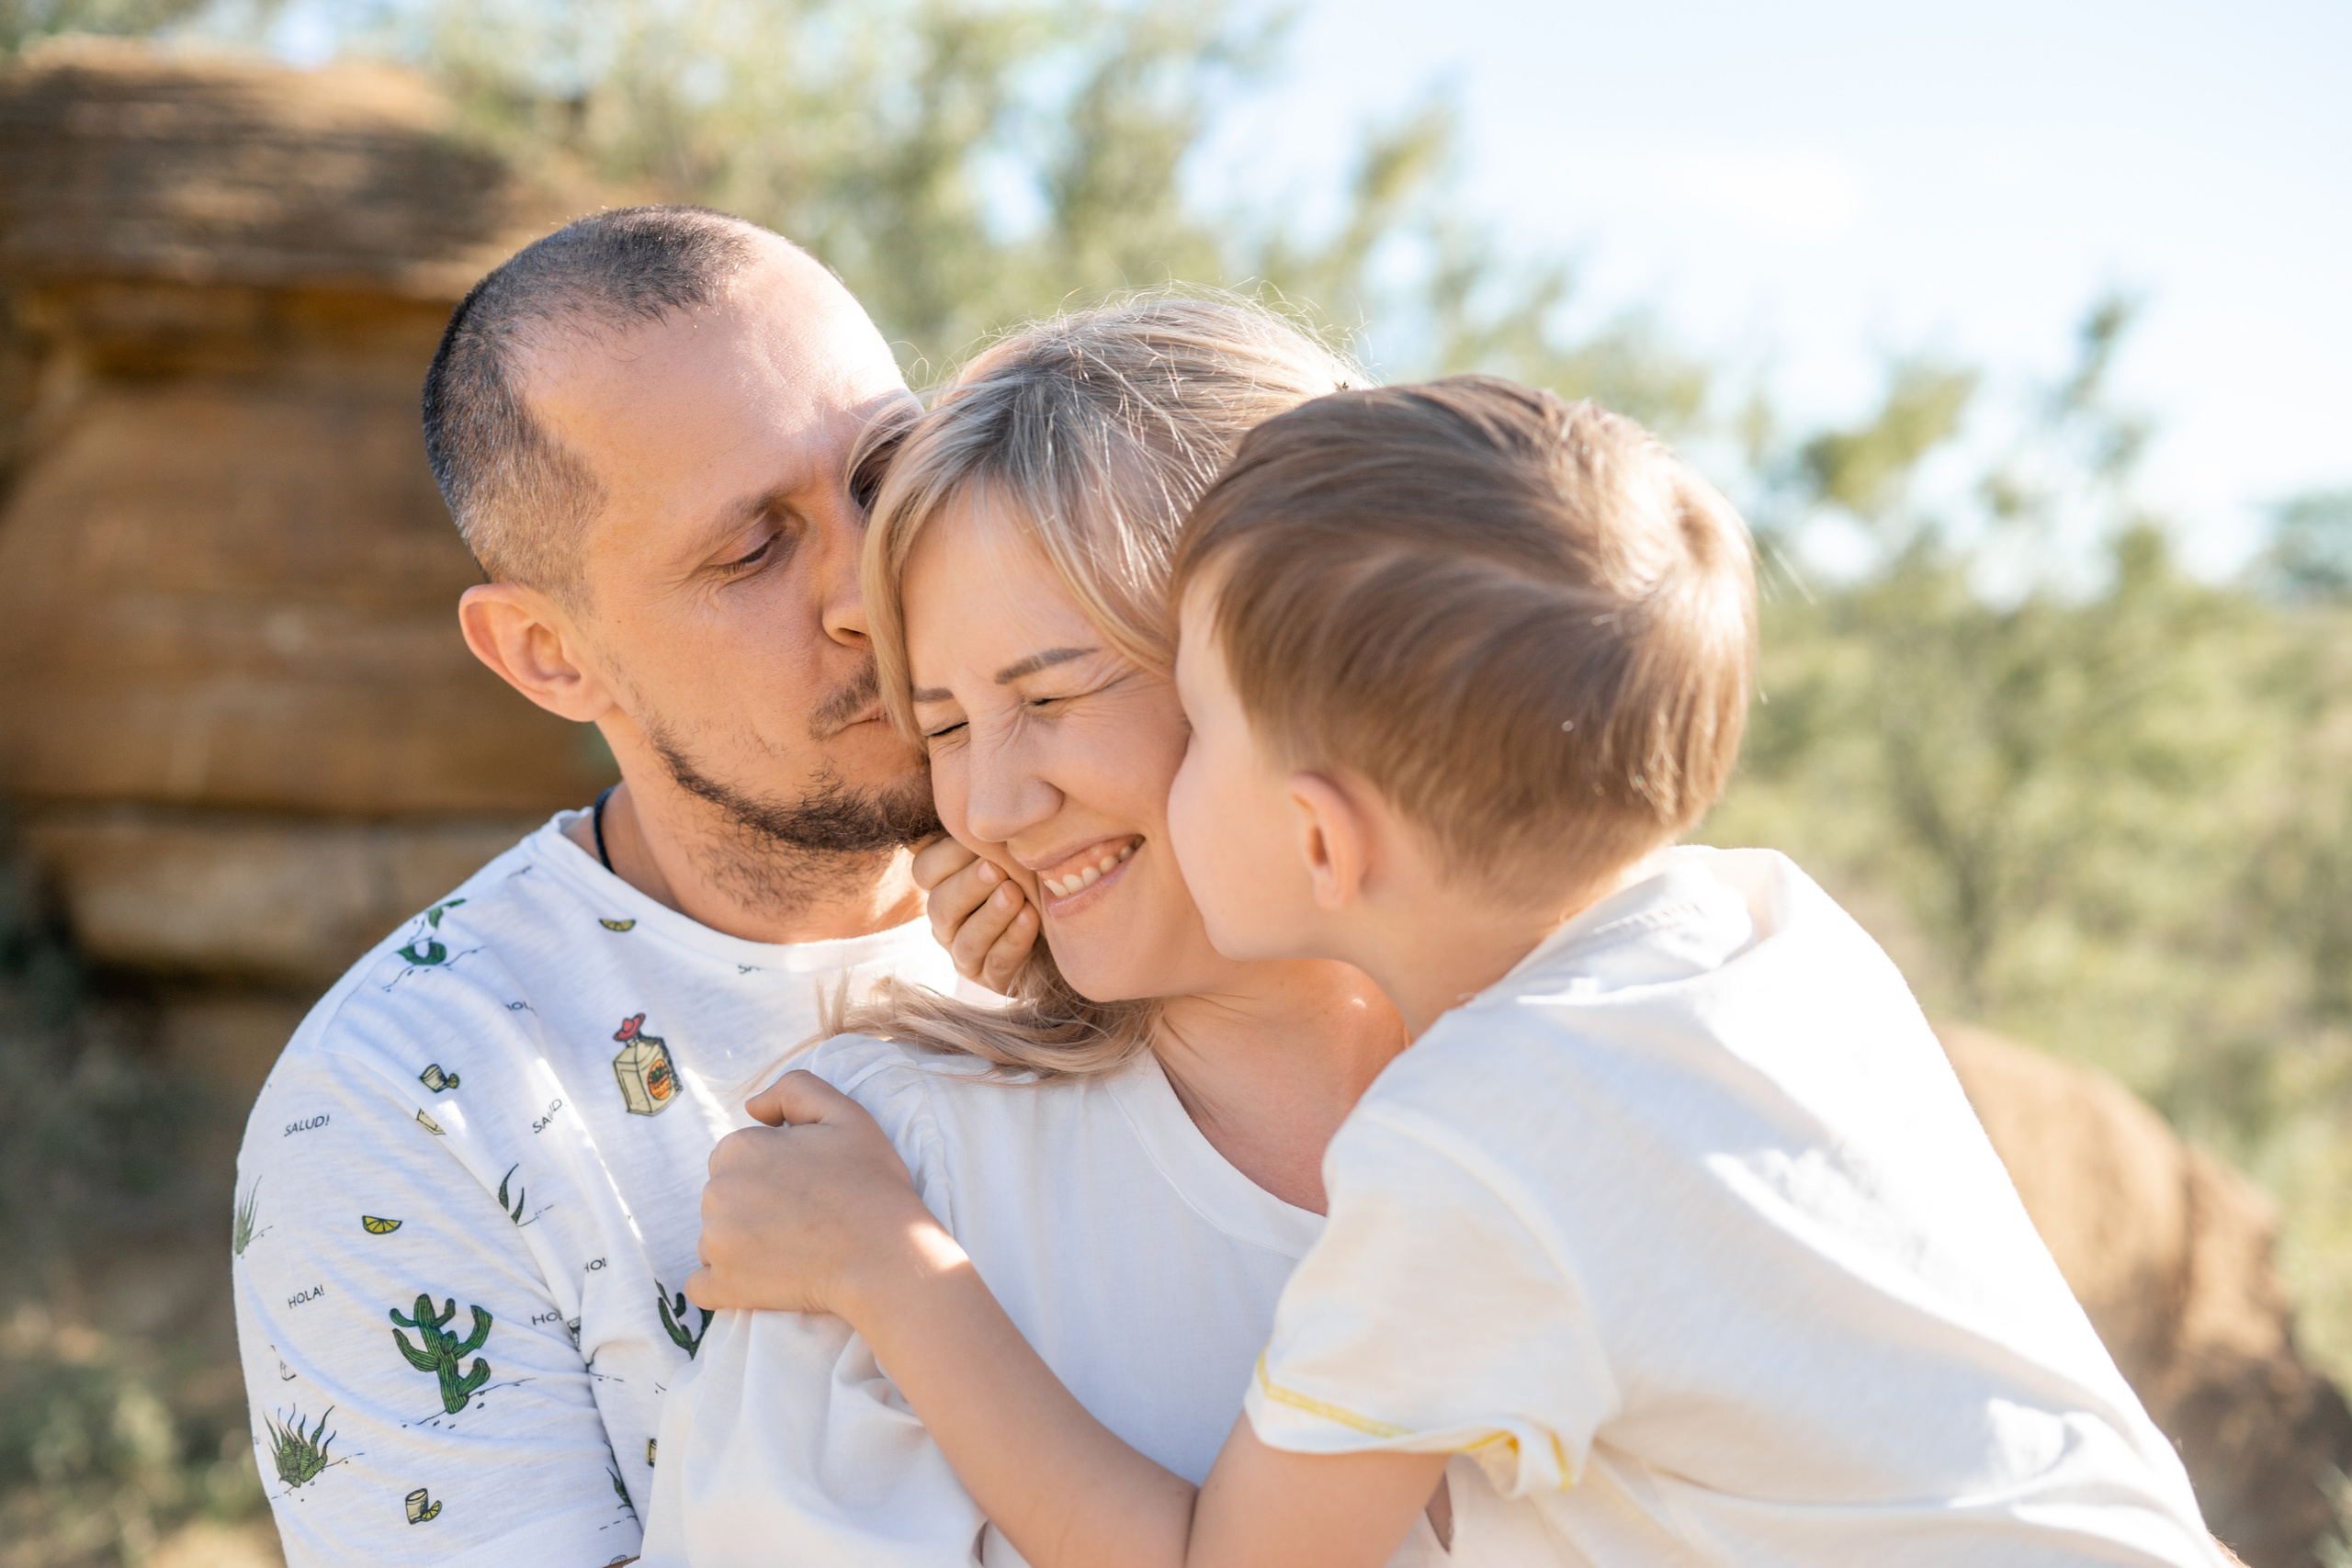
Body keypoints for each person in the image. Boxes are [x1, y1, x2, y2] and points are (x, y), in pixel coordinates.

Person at [692, 379, 2232, 1565]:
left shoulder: (1466, 1163)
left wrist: (893, 1272)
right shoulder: (1771, 933)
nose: (992, 805)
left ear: (1316, 833)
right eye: (951, 725)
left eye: (1200, 723)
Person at [229, 206, 1012, 1567]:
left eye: (888, 471)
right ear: (546, 654)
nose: (868, 585)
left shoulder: (1164, 896)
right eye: (753, 549)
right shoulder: (404, 1101)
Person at [641, 297, 1457, 1567]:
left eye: (1054, 694)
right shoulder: (894, 1173)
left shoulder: (1634, 1054)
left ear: (1314, 659)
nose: (995, 806)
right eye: (948, 727)